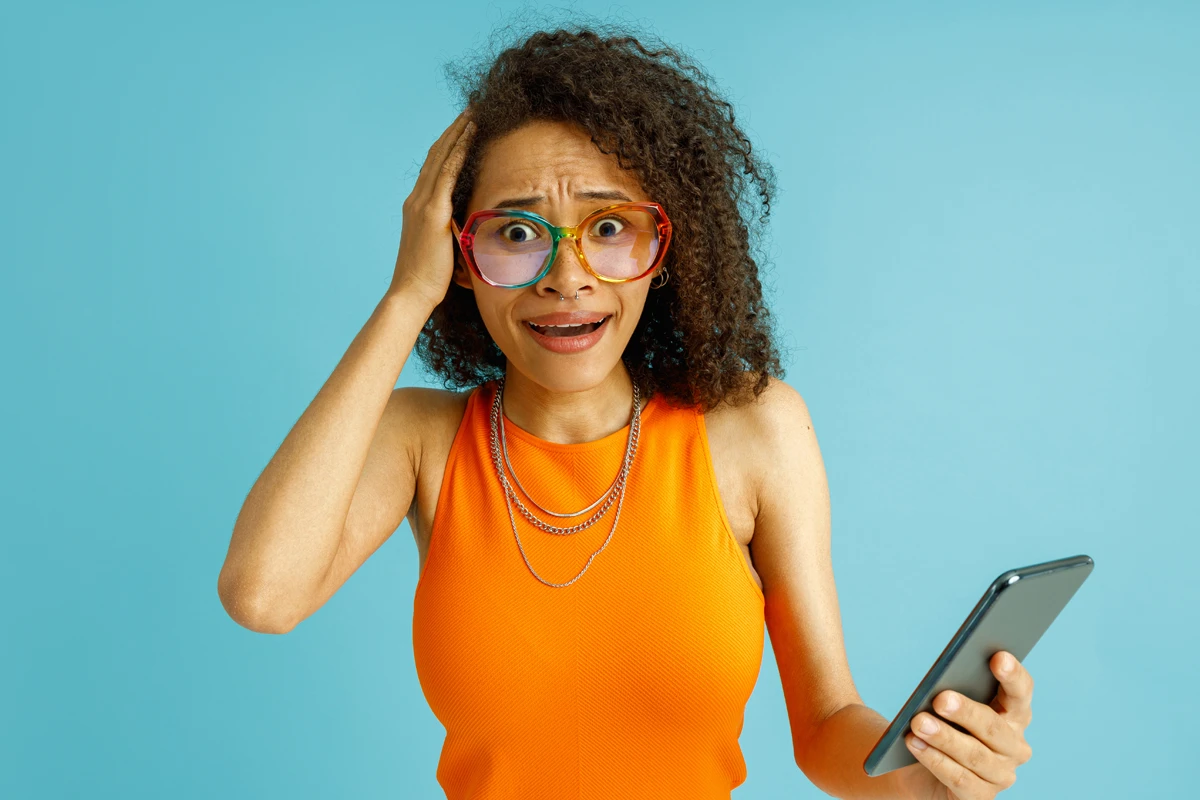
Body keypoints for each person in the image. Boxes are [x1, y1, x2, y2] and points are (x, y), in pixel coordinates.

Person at [218, 25, 1035, 800]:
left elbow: (824, 726)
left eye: (608, 227)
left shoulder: (754, 429)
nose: (566, 276)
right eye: (515, 231)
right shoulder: (423, 439)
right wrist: (405, 297)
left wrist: (924, 775)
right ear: (459, 256)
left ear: (665, 251)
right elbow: (263, 595)